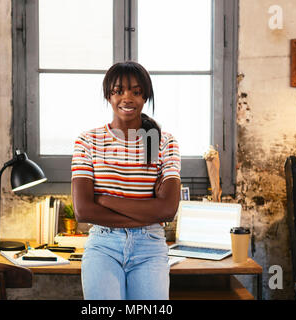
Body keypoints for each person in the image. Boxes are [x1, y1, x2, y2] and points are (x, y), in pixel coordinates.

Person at [71, 61, 181, 300]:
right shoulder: (88, 141)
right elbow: (83, 211)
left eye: (136, 91)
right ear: (108, 96)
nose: (127, 98)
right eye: (118, 91)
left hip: (150, 247)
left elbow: (167, 210)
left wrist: (104, 199)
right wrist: (144, 213)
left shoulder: (164, 142)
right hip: (103, 245)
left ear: (145, 97)